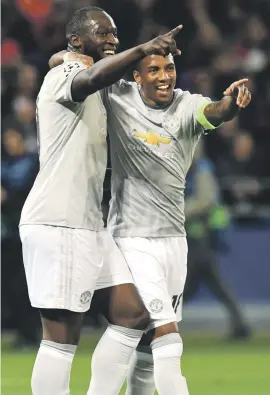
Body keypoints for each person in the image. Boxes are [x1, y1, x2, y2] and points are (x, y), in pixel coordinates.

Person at [51, 46, 251, 395]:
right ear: (137, 76)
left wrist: (231, 102)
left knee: (143, 343)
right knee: (167, 337)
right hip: (131, 239)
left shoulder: (187, 105)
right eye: (154, 69)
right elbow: (59, 64)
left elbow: (217, 112)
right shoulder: (117, 94)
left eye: (169, 68)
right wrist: (84, 58)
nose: (164, 76)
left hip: (174, 240)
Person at [20, 6, 183, 395]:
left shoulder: (93, 77)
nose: (112, 40)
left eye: (114, 35)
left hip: (89, 223)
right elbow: (87, 75)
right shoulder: (63, 75)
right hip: (58, 221)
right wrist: (143, 49)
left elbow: (100, 74)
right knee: (61, 337)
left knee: (134, 311)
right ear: (76, 41)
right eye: (102, 33)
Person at [184, 141, 251, 340]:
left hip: (200, 236)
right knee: (213, 284)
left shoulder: (201, 170)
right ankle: (240, 324)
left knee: (187, 286)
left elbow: (206, 200)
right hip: (197, 237)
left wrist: (180, 212)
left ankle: (160, 327)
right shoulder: (197, 170)